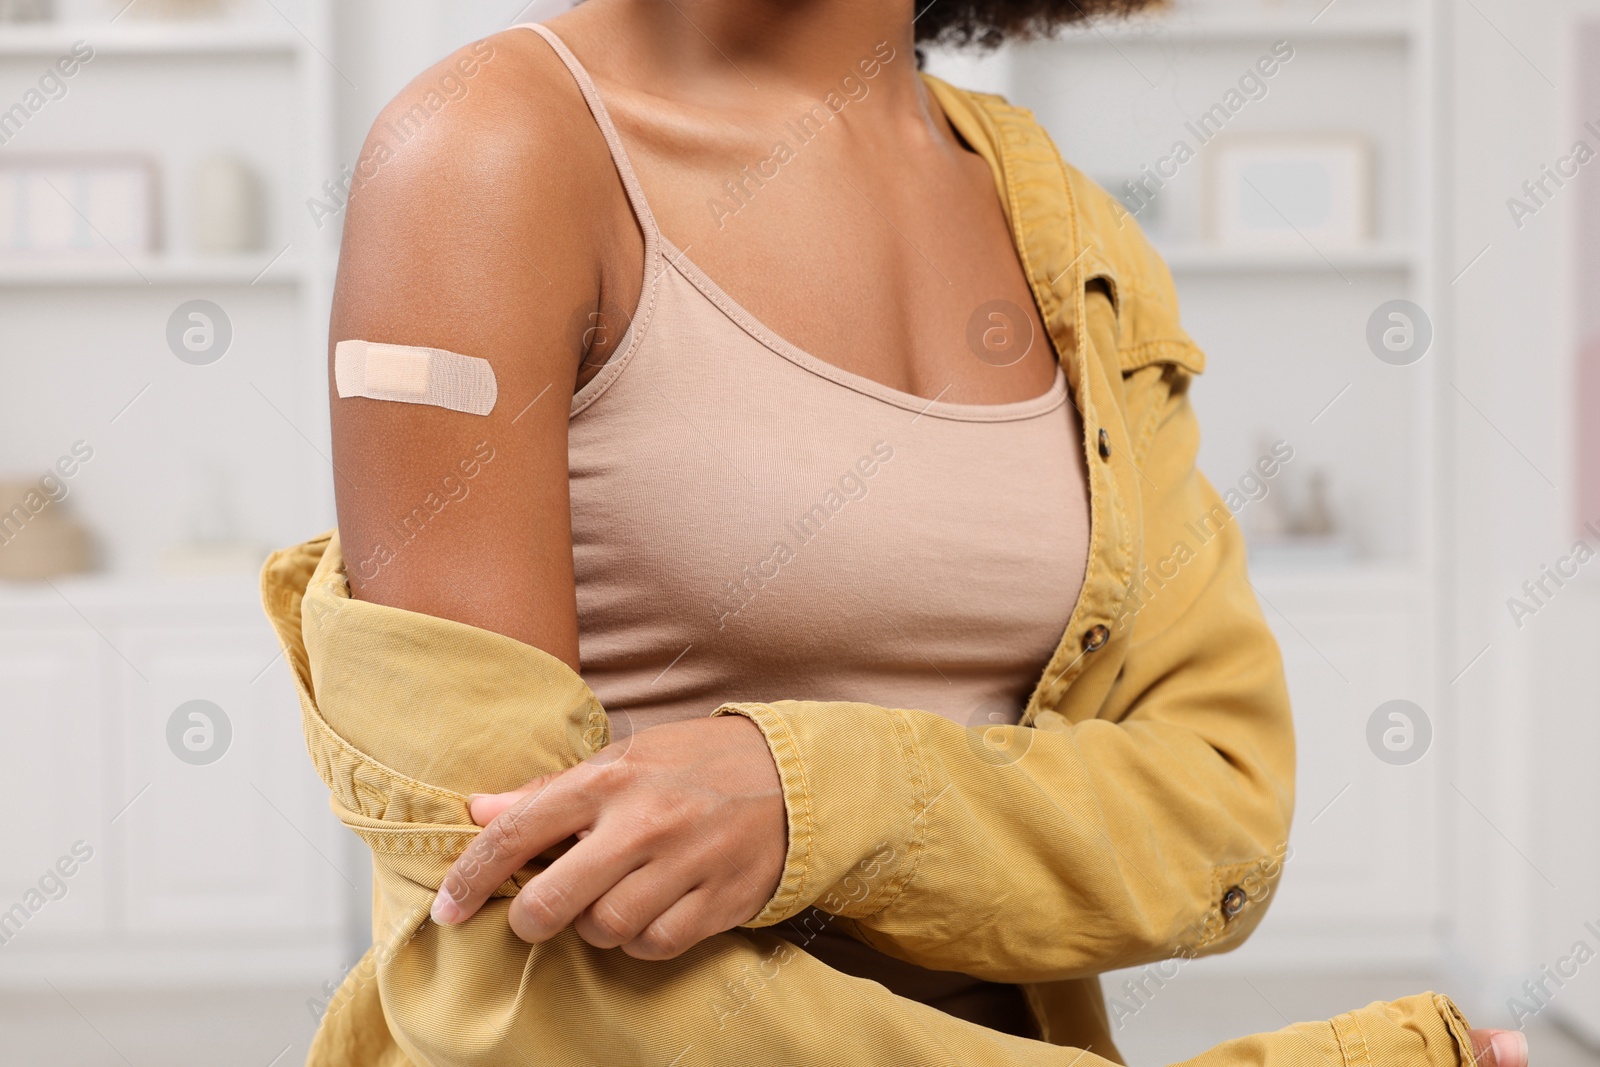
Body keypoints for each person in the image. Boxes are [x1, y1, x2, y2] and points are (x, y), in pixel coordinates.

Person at [294, 0, 1526, 1062]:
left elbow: (1217, 809)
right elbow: (499, 945)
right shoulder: (482, 153)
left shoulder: (1076, 242)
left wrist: (816, 798)